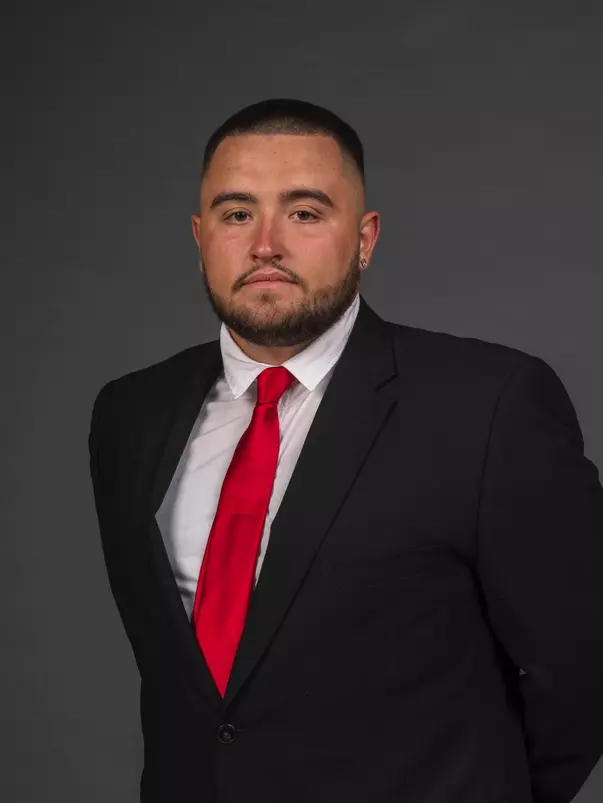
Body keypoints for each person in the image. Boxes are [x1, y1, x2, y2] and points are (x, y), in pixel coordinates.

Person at [88, 98, 603, 803]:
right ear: (200, 234)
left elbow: (582, 665)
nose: (265, 242)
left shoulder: (489, 403)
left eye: (304, 212)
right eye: (237, 213)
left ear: (364, 239)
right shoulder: (130, 413)